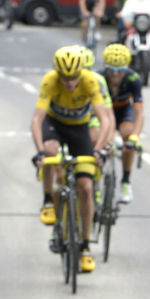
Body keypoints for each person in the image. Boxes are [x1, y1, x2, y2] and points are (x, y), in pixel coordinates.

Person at [31, 46, 114, 274]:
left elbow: (105, 121)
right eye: (65, 78)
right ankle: (48, 200)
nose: (69, 83)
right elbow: (37, 120)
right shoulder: (50, 81)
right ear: (58, 73)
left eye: (73, 78)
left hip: (79, 129)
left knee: (86, 187)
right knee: (50, 152)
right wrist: (38, 151)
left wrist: (98, 149)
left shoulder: (89, 81)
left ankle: (85, 247)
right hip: (55, 125)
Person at [101, 43, 144, 203]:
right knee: (102, 139)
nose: (116, 74)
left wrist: (135, 137)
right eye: (111, 70)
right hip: (104, 112)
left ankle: (125, 181)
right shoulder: (99, 78)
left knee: (128, 134)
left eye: (120, 70)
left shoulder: (133, 79)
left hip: (124, 109)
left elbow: (139, 111)